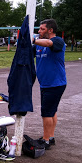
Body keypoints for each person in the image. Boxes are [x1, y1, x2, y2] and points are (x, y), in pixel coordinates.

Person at [33, 18, 67, 149]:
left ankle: (46, 140)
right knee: (51, 111)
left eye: (42, 29)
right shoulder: (39, 45)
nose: (39, 31)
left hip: (55, 84)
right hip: (46, 84)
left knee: (46, 112)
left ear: (50, 30)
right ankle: (50, 137)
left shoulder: (57, 41)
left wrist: (34, 40)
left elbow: (48, 43)